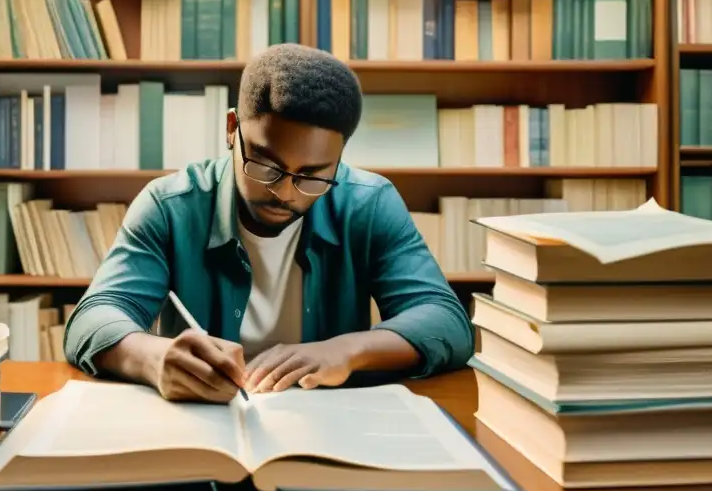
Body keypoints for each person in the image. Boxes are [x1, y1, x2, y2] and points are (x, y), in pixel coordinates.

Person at [63, 43, 474, 403]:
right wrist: (153, 358)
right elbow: (94, 317)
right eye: (265, 164)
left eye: (312, 175)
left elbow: (445, 321)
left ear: (341, 157)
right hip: (203, 425)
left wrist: (347, 350)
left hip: (331, 427)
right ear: (231, 129)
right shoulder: (171, 205)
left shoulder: (370, 203)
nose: (286, 192)